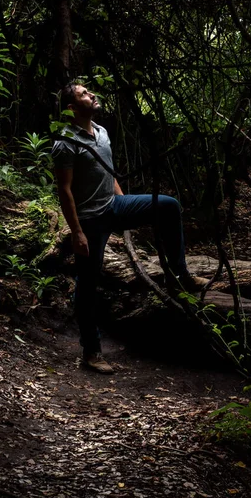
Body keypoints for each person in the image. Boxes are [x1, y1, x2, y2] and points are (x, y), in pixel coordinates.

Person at [52, 82, 207, 374]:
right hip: (90, 219)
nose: (92, 95)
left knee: (169, 205)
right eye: (84, 94)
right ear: (71, 107)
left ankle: (178, 275)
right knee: (87, 285)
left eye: (89, 91)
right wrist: (77, 232)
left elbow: (108, 173)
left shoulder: (101, 132)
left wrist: (125, 207)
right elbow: (65, 190)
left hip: (114, 207)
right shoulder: (65, 142)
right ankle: (91, 351)